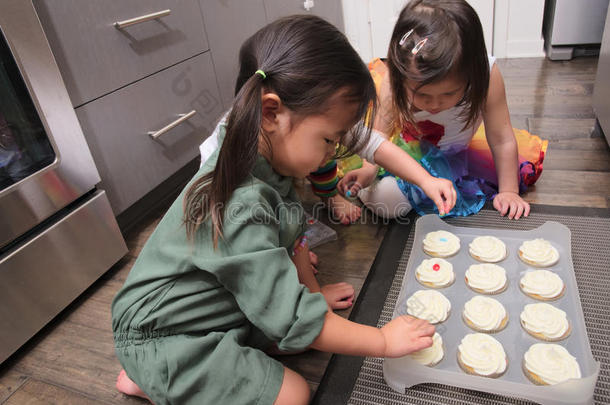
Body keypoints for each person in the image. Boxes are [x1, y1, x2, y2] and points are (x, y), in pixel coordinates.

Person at [111, 15, 435, 405]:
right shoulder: (240, 202)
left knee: (300, 339)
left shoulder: (268, 160)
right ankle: (148, 376)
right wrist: (381, 340)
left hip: (212, 312)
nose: (332, 154)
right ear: (271, 113)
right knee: (294, 394)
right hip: (164, 336)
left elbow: (294, 241)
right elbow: (299, 320)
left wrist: (311, 300)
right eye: (329, 140)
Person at [337, 0, 547, 220]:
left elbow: (501, 138)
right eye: (422, 95)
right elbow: (378, 135)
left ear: (471, 71)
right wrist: (368, 170)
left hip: (456, 156)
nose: (434, 104)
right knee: (388, 202)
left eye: (448, 94)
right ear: (402, 77)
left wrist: (508, 191)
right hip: (405, 154)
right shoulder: (395, 80)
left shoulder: (486, 75)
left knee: (460, 189)